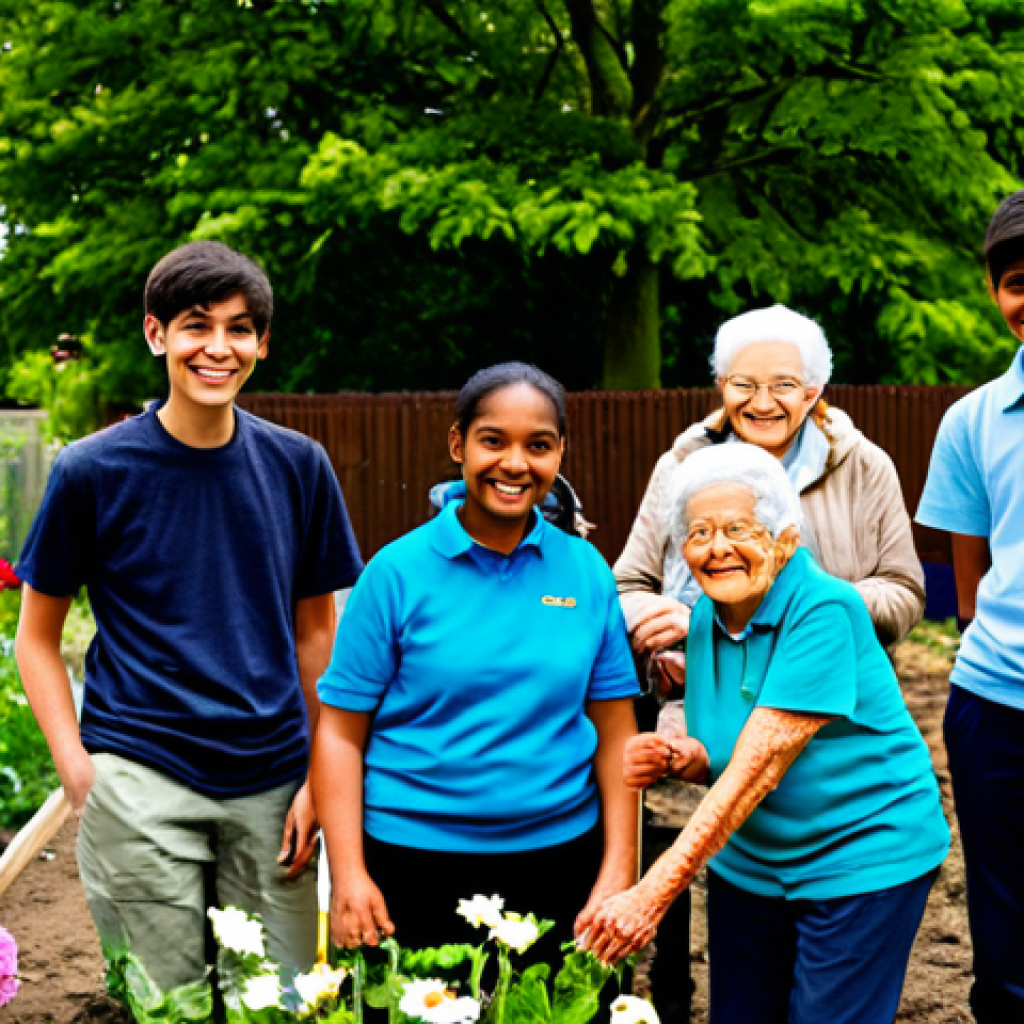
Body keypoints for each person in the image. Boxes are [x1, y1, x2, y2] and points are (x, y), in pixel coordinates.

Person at [13, 241, 363, 992]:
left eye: (239, 329)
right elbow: (36, 640)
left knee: (283, 1001)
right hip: (140, 777)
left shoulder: (299, 467)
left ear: (262, 345)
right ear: (156, 334)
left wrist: (316, 776)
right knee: (166, 1007)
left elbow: (316, 637)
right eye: (196, 324)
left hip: (274, 782)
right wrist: (79, 768)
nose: (218, 347)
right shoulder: (92, 471)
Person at [614, 304, 925, 1022]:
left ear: (786, 542)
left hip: (857, 848)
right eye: (700, 534)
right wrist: (681, 753)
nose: (716, 547)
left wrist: (650, 891)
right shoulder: (702, 611)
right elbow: (726, 745)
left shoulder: (824, 603)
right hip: (751, 855)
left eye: (739, 532)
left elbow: (760, 761)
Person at [311, 362, 640, 961]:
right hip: (407, 868)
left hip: (561, 863)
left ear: (560, 453)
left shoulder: (586, 571)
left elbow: (618, 732)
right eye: (494, 441)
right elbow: (338, 733)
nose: (515, 464)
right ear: (458, 444)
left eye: (538, 446)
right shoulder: (394, 574)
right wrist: (349, 875)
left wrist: (620, 870)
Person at [915, 190, 1024, 1023]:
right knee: (1007, 929)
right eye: (1018, 281)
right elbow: (969, 575)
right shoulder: (972, 421)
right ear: (994, 292)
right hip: (996, 705)